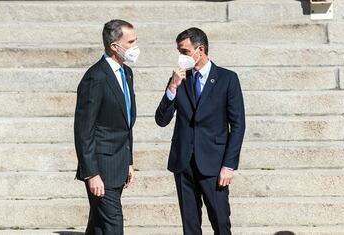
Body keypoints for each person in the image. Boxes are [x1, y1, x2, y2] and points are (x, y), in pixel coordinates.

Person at [155, 27, 246, 235]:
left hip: (214, 164)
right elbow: (161, 120)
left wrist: (229, 165)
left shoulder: (227, 79)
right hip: (184, 162)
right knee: (190, 225)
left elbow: (238, 124)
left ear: (200, 49)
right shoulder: (179, 79)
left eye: (185, 52)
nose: (181, 57)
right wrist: (172, 88)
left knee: (221, 222)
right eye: (179, 52)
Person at [74, 19, 139, 235]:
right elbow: (84, 130)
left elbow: (125, 123)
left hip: (119, 162)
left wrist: (129, 161)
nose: (135, 47)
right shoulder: (96, 77)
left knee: (99, 226)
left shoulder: (126, 73)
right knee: (113, 225)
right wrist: (91, 173)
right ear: (114, 46)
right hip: (101, 167)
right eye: (130, 42)